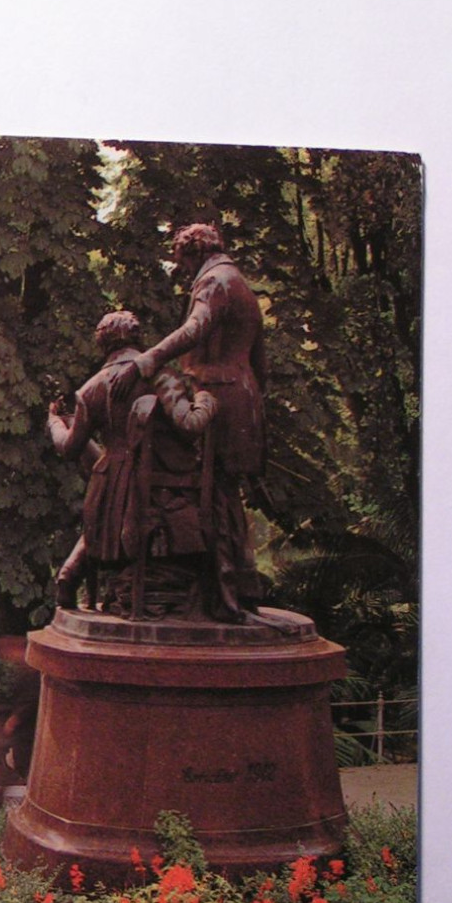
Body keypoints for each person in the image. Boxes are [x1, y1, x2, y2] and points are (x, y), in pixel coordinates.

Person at [123, 222, 266, 617]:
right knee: (225, 495)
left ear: (194, 252)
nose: (183, 271)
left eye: (183, 262)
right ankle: (238, 588)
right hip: (243, 396)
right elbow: (260, 359)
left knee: (211, 495)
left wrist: (151, 356)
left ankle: (224, 600)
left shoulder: (215, 282)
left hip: (216, 394)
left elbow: (196, 327)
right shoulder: (239, 283)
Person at [47, 310, 152, 610]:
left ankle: (69, 577)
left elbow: (69, 448)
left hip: (111, 481)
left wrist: (54, 422)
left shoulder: (92, 388)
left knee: (96, 524)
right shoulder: (158, 375)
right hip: (156, 476)